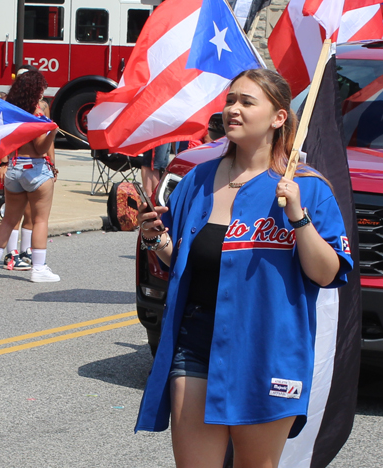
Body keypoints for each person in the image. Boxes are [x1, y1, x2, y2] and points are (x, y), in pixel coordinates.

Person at [135, 68, 353, 468]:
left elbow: (326, 274)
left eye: (246, 102)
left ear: (278, 117)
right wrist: (156, 240)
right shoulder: (197, 180)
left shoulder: (308, 186)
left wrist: (299, 217)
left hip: (267, 350)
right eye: (230, 100)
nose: (233, 109)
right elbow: (187, 262)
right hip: (196, 344)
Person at [0, 70, 59, 282]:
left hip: (14, 167)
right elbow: (39, 149)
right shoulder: (35, 115)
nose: (42, 95)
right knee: (40, 221)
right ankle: (38, 269)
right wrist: (52, 132)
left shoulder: (11, 111)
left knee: (8, 220)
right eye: (41, 91)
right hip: (36, 169)